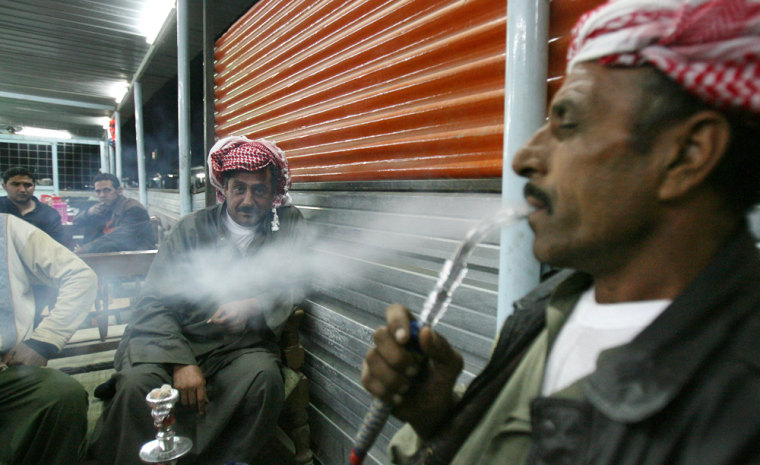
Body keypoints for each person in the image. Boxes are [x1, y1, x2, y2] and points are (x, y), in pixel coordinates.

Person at [361, 1, 760, 464]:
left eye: (567, 124)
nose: (523, 158)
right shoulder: (549, 308)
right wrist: (440, 420)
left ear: (688, 154)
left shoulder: (738, 411)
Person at [89, 137, 306, 465]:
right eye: (239, 188)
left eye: (259, 190)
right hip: (173, 340)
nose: (248, 200)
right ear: (225, 188)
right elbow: (152, 301)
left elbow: (295, 281)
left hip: (239, 348)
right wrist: (181, 362)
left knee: (263, 380)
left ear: (273, 192)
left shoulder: (287, 224)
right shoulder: (190, 228)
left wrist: (254, 304)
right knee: (137, 387)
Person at [0, 213, 98, 465]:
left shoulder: (7, 227)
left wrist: (43, 340)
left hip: (5, 368)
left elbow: (79, 276)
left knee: (61, 393)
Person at [73, 172, 156, 253]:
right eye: (98, 191)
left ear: (119, 190)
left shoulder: (133, 208)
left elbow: (120, 236)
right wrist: (88, 213)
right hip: (106, 256)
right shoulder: (101, 208)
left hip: (134, 258)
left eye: (107, 190)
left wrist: (87, 248)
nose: (102, 195)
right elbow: (76, 222)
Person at [1, 166, 72, 248]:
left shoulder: (48, 213)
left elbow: (57, 246)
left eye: (27, 185)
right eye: (16, 184)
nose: (22, 190)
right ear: (4, 186)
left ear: (34, 187)